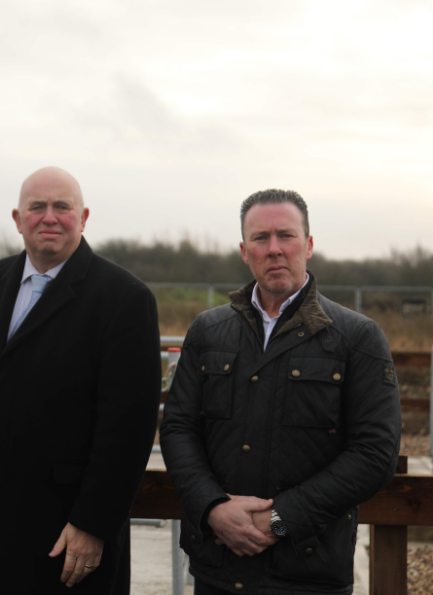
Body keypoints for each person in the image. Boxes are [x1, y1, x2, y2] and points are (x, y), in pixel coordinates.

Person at [0, 167, 162, 594]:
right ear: (18, 219)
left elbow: (127, 430)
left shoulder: (124, 299)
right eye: (37, 207)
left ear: (84, 216)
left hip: (65, 534)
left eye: (63, 207)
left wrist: (93, 523)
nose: (49, 217)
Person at [161, 189, 401, 594]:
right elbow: (178, 428)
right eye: (260, 238)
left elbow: (375, 454)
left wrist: (280, 519)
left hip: (309, 573)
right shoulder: (208, 331)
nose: (274, 249)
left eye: (286, 236)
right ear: (244, 250)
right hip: (218, 567)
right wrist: (213, 507)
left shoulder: (356, 337)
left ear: (308, 245)